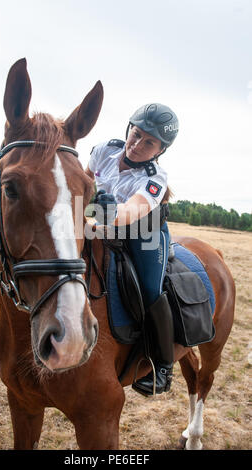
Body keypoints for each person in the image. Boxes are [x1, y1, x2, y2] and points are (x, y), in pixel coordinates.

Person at [85, 103, 179, 395]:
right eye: (136, 134)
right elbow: (84, 182)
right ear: (129, 129)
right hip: (97, 221)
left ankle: (162, 366)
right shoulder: (104, 150)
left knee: (151, 289)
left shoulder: (155, 178)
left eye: (149, 142)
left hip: (143, 232)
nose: (137, 145)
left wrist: (97, 218)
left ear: (160, 150)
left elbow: (128, 214)